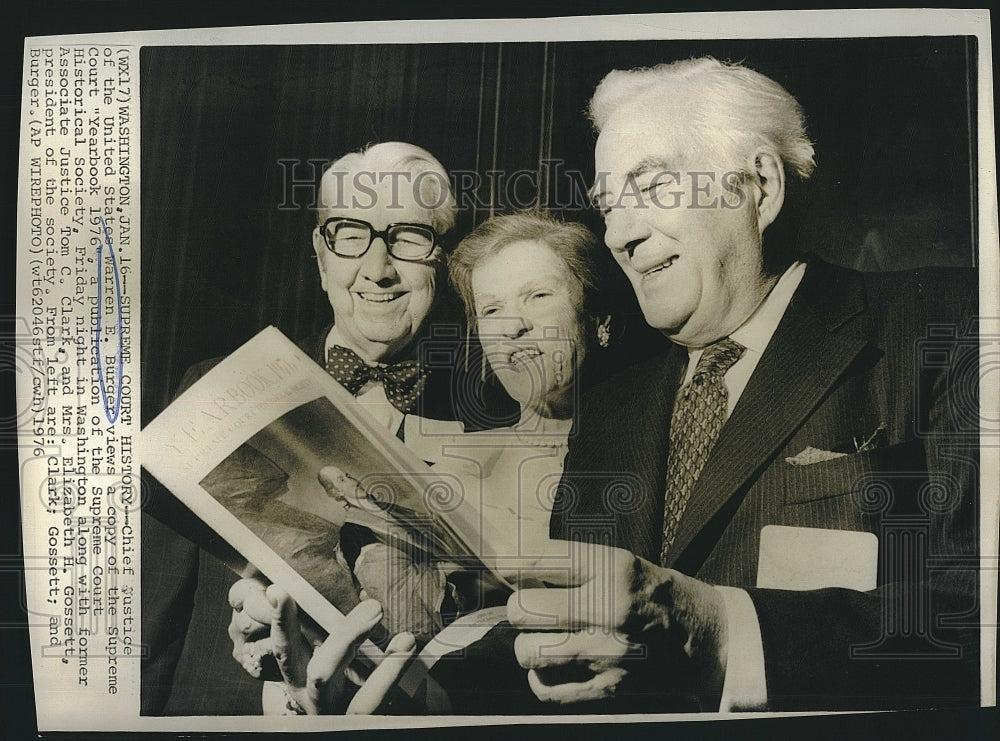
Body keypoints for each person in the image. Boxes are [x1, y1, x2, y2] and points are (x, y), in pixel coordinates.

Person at [506, 57, 980, 712]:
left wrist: (718, 633)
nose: (620, 233)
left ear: (758, 184)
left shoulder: (952, 322)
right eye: (609, 205)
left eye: (652, 188)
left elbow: (977, 612)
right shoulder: (609, 411)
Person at [144, 141, 481, 715]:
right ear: (321, 257)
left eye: (408, 237)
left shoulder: (487, 419)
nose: (378, 270)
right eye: (351, 235)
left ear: (440, 262)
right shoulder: (212, 386)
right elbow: (152, 614)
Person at [238, 211, 616, 713]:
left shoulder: (639, 459)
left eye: (539, 297)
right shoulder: (443, 462)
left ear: (601, 320)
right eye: (492, 309)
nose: (515, 326)